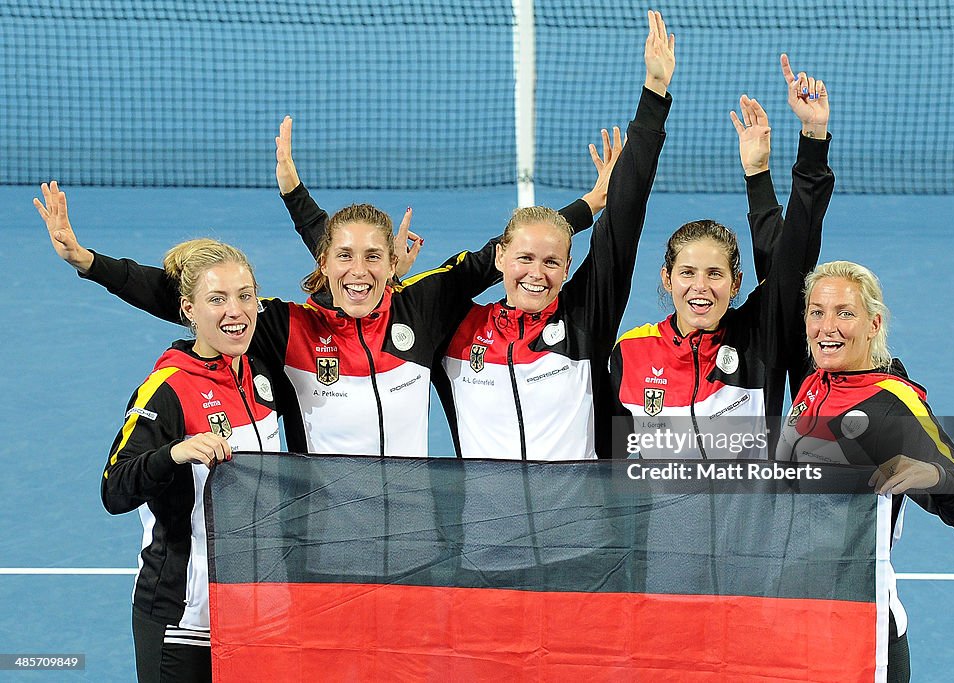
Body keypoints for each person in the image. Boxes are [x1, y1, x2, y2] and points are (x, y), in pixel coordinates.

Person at [42, 143, 609, 456]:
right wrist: (89, 263)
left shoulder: (423, 304)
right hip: (324, 540)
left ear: (393, 264)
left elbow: (506, 252)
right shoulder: (290, 328)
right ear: (323, 263)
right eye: (343, 258)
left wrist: (588, 205)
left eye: (372, 258)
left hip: (416, 544)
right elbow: (191, 299)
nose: (357, 272)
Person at [37, 187, 281, 683]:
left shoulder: (264, 373)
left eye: (245, 295)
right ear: (187, 310)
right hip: (182, 616)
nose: (237, 311)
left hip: (255, 611)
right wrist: (173, 454)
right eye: (217, 299)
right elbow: (114, 488)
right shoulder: (165, 390)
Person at [437, 10, 674, 459]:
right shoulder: (455, 328)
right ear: (500, 256)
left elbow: (624, 221)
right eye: (524, 258)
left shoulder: (585, 320)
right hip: (487, 531)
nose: (537, 273)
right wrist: (584, 206)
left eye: (551, 262)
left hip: (578, 529)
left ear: (567, 268)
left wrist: (654, 93)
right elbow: (372, 294)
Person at [611, 54, 834, 459]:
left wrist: (810, 138)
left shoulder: (757, 339)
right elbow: (612, 467)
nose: (700, 287)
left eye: (715, 273)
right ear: (667, 278)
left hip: (747, 524)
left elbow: (793, 260)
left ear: (735, 283)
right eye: (687, 273)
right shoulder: (630, 352)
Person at [778, 260, 954, 682]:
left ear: (873, 323)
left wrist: (932, 475)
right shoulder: (816, 383)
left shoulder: (892, 405)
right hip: (798, 617)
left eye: (845, 313)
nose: (827, 326)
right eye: (816, 312)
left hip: (861, 634)